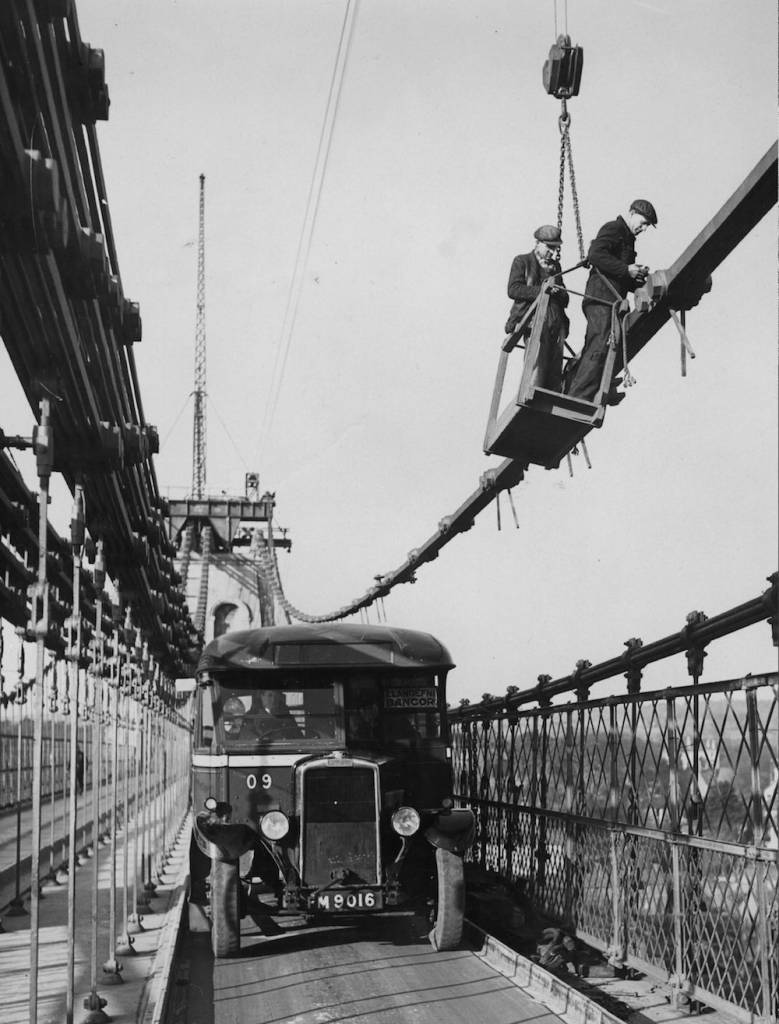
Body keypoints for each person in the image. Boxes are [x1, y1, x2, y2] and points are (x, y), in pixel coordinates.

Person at [566, 199, 657, 402]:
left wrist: (637, 278)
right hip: (601, 297)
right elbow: (595, 255)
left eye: (646, 227)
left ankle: (593, 385)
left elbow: (619, 272)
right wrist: (627, 269)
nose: (643, 229)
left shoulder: (628, 239)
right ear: (631, 213)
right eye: (642, 223)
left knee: (604, 344)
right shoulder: (614, 228)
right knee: (600, 343)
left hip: (612, 300)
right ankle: (578, 397)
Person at [504, 224, 570, 392]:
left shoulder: (556, 268)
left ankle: (550, 398)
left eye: (556, 249)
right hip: (533, 321)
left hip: (555, 322)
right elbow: (514, 289)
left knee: (555, 368)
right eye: (550, 248)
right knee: (537, 366)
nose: (553, 253)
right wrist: (542, 290)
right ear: (538, 243)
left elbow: (565, 297)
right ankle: (531, 395)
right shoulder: (522, 261)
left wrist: (558, 292)